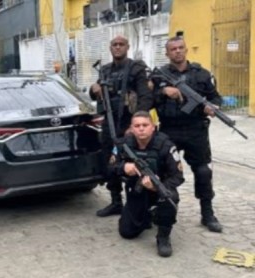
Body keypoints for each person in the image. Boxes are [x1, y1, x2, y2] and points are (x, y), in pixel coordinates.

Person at [152, 36, 223, 233]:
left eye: (181, 48)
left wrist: (213, 106)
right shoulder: (159, 76)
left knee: (203, 171)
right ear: (167, 53)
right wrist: (163, 92)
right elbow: (148, 99)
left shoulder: (202, 74)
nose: (177, 51)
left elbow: (216, 96)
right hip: (169, 129)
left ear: (186, 50)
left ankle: (207, 213)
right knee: (160, 171)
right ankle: (158, 210)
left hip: (195, 129)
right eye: (173, 49)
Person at [89, 35, 153, 218]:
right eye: (114, 45)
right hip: (110, 124)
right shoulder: (105, 70)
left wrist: (136, 125)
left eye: (121, 45)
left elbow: (145, 97)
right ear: (110, 48)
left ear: (127, 47)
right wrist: (93, 88)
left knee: (134, 162)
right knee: (110, 162)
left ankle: (137, 203)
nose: (117, 48)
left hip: (129, 124)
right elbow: (95, 94)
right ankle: (116, 202)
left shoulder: (136, 68)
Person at [115, 111, 184, 257]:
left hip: (160, 188)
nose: (141, 128)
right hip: (137, 189)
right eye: (137, 125)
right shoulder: (124, 144)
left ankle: (163, 237)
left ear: (153, 127)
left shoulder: (166, 145)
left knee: (170, 198)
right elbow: (108, 169)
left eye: (145, 125)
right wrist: (124, 168)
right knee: (126, 232)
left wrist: (157, 186)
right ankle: (147, 215)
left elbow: (178, 176)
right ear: (132, 128)